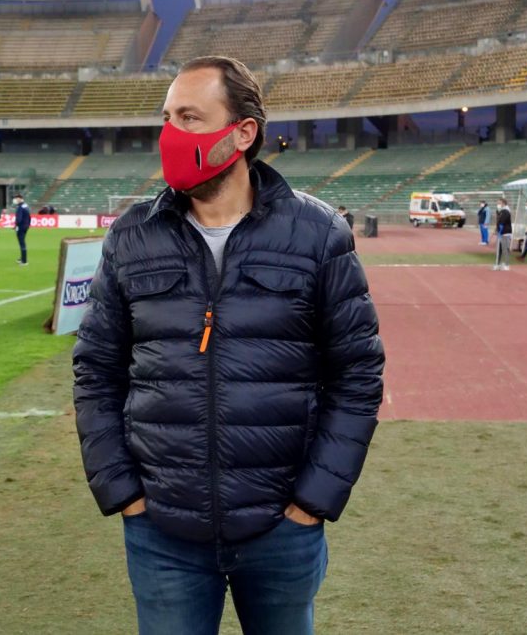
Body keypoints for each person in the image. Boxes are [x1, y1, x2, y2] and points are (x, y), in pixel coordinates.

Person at [73, 55, 385, 635]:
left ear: (242, 133)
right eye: (167, 118)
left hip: (281, 531)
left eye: (190, 118)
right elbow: (96, 370)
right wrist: (124, 492)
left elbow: (357, 375)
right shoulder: (132, 237)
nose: (171, 134)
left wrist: (311, 502)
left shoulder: (318, 234)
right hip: (162, 532)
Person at [493, 197, 512, 271]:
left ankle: (507, 265)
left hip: (505, 233)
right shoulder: (501, 211)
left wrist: (499, 230)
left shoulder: (506, 211)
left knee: (505, 249)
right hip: (501, 232)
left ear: (503, 203)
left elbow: (502, 222)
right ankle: (497, 264)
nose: (498, 204)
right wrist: (496, 229)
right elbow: (498, 221)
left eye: (499, 203)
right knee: (499, 249)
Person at [13, 193, 31, 265]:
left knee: (22, 243)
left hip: (21, 227)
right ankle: (22, 258)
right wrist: (28, 225)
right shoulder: (26, 206)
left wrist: (16, 225)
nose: (15, 200)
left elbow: (19, 219)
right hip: (26, 226)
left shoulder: (20, 207)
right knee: (22, 242)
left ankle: (24, 261)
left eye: (16, 198)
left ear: (20, 199)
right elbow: (29, 217)